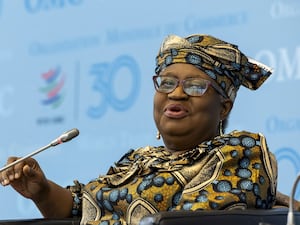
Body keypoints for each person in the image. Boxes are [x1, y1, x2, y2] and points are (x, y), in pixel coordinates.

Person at [0, 33, 286, 225]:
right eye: (166, 82)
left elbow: (192, 220)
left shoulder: (239, 152)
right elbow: (79, 209)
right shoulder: (138, 159)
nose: (176, 93)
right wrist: (42, 191)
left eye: (195, 86)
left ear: (223, 108)